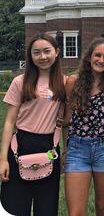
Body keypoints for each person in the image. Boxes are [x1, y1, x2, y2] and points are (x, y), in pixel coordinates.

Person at [0, 33, 66, 216]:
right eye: (36, 53)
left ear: (56, 52)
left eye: (47, 51)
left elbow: (66, 123)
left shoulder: (64, 83)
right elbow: (9, 122)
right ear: (30, 56)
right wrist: (3, 159)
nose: (42, 57)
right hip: (21, 144)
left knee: (46, 206)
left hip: (49, 147)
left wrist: (65, 153)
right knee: (13, 206)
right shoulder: (20, 82)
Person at [61, 38, 104, 216]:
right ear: (89, 57)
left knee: (103, 208)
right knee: (75, 212)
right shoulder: (74, 82)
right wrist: (65, 150)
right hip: (77, 149)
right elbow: (67, 119)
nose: (101, 60)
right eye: (98, 55)